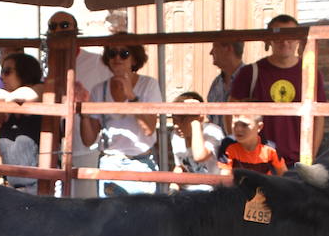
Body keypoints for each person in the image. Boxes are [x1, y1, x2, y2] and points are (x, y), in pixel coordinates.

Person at [229, 14, 327, 167]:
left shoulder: (311, 74)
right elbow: (231, 112)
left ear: (299, 40)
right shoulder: (250, 73)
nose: (285, 42)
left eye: (291, 36)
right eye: (279, 36)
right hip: (257, 162)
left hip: (297, 163)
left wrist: (309, 158)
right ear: (268, 40)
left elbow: (318, 118)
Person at [80, 44, 162, 196]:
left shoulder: (148, 85)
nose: (117, 58)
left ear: (134, 59)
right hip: (110, 162)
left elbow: (149, 129)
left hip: (140, 162)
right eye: (112, 53)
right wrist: (84, 111)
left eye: (124, 54)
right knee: (111, 218)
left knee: (142, 217)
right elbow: (88, 140)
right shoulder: (99, 90)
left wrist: (131, 97)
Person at [0, 51, 46, 192]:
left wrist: (7, 98)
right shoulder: (8, 101)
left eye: (7, 71)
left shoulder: (40, 89)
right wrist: (9, 98)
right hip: (12, 186)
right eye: (2, 71)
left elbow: (29, 94)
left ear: (24, 72)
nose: (2, 77)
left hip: (39, 187)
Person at [169, 91, 225, 184]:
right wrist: (173, 188)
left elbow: (199, 155)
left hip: (212, 191)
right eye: (174, 119)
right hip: (189, 192)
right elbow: (180, 166)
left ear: (200, 118)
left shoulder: (212, 132)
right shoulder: (175, 136)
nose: (176, 126)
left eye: (182, 119)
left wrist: (195, 122)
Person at [219, 114, 284, 176]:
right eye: (235, 124)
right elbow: (224, 177)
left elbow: (283, 175)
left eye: (244, 125)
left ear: (259, 127)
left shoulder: (271, 149)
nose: (238, 129)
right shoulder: (228, 144)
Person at [206, 39, 244, 129]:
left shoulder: (250, 80)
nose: (210, 52)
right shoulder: (216, 83)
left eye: (215, 47)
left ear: (228, 49)